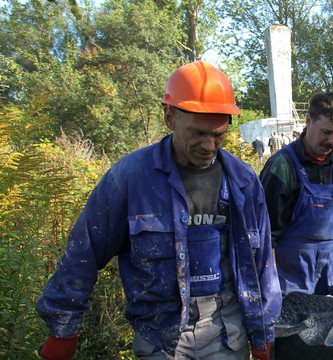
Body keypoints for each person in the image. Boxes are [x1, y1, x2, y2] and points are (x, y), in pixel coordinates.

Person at [36, 60, 281, 359]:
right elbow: (83, 252)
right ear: (169, 116)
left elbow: (261, 264)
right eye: (198, 133)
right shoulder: (130, 179)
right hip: (160, 336)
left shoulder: (243, 182)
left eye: (218, 135)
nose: (209, 146)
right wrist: (63, 329)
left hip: (225, 331)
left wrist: (262, 332)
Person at [259, 92, 333, 297]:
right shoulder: (282, 166)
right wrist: (270, 285)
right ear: (308, 121)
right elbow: (266, 236)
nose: (332, 141)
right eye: (326, 132)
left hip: (329, 273)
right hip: (291, 278)